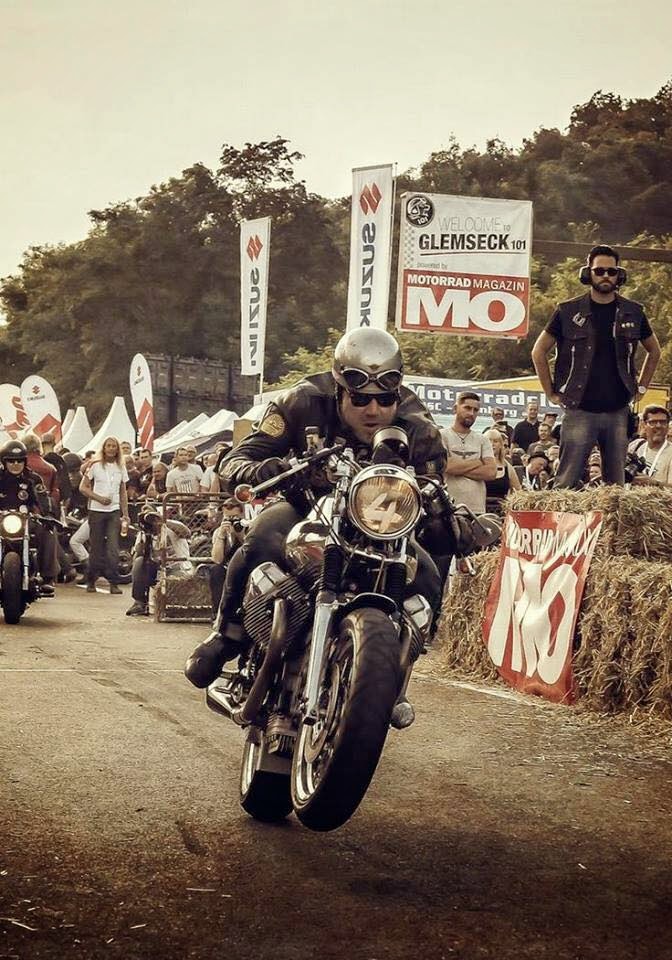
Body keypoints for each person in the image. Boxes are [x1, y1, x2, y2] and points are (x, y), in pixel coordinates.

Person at [184, 328, 447, 730]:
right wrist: (265, 469)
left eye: (384, 399)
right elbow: (237, 458)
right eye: (360, 398)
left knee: (426, 576)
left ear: (397, 393)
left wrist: (445, 512)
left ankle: (393, 674)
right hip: (306, 507)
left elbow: (432, 484)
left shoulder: (419, 425)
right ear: (340, 389)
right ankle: (226, 635)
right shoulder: (302, 401)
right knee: (261, 539)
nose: (373, 409)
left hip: (380, 525)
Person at [532, 244, 661, 488]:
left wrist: (642, 387)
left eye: (611, 271)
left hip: (618, 409)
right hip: (579, 408)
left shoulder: (633, 312)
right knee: (566, 481)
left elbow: (655, 350)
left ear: (619, 275)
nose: (605, 276)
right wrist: (550, 392)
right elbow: (538, 351)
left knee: (615, 486)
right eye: (599, 271)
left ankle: (612, 516)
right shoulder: (567, 311)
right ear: (587, 273)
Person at [0, 440, 56, 595]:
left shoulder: (33, 478)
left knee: (47, 531)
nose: (15, 464)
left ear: (25, 461)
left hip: (25, 520)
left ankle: (47, 578)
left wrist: (48, 515)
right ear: (4, 462)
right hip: (1, 520)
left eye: (19, 461)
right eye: (11, 461)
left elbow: (43, 499)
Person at [80, 436, 129, 594]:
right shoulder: (95, 465)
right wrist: (98, 498)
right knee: (96, 547)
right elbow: (83, 487)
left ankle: (113, 582)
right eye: (108, 446)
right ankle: (91, 579)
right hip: (97, 511)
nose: (111, 449)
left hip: (114, 511)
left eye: (114, 446)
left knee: (113, 548)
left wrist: (125, 514)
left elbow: (123, 492)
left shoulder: (121, 467)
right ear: (104, 448)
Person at [440, 392, 496, 514]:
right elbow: (446, 466)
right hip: (449, 508)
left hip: (476, 509)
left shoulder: (482, 440)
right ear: (455, 408)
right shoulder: (442, 436)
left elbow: (491, 472)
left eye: (475, 410)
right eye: (467, 408)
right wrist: (478, 462)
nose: (471, 413)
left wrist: (458, 468)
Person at [126, 509, 190, 616]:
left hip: (178, 566)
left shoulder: (171, 527)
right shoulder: (145, 533)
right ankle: (140, 603)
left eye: (152, 519)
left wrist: (162, 521)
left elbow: (186, 533)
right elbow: (137, 556)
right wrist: (143, 542)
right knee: (139, 562)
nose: (152, 523)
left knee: (176, 595)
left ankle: (176, 608)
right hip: (157, 569)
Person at [627, 405, 672, 488]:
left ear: (668, 426)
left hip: (657, 497)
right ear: (644, 425)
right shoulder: (636, 446)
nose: (658, 426)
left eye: (663, 422)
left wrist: (654, 483)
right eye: (653, 422)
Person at [484, 429, 521, 512]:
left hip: (501, 511)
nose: (492, 444)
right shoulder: (476, 464)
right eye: (489, 441)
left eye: (495, 441)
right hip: (480, 510)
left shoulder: (508, 467)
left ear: (501, 445)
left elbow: (518, 492)